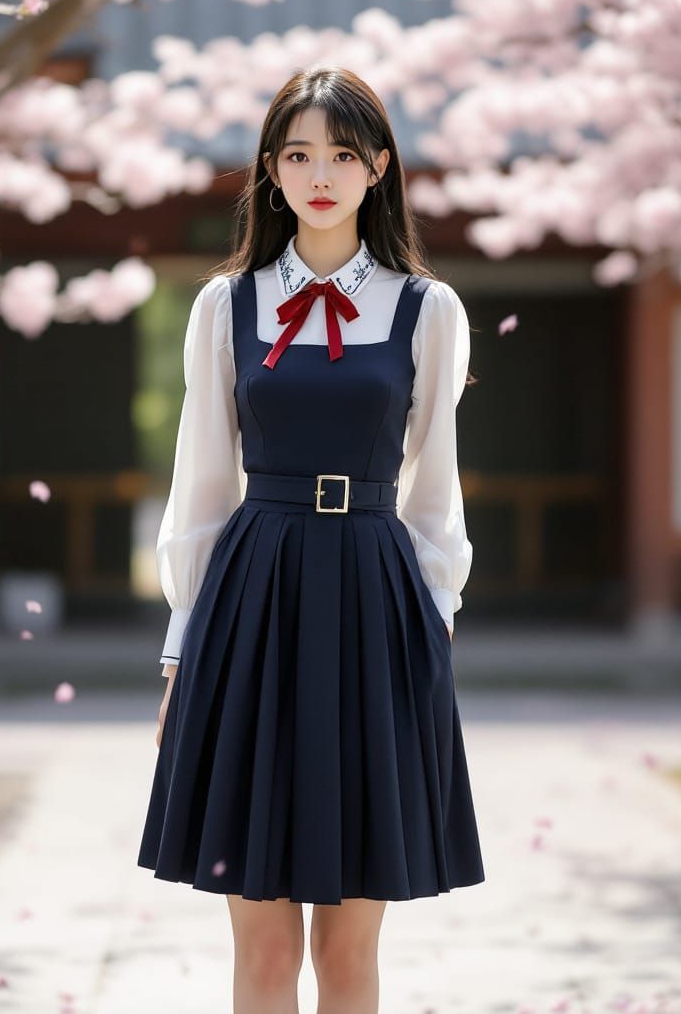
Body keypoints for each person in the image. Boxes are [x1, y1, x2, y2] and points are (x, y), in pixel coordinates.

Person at [138, 63, 485, 1014]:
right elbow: (202, 486)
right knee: (258, 952)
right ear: (271, 170)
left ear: (379, 167)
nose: (319, 174)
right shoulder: (225, 307)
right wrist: (181, 654)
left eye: (341, 153)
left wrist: (433, 629)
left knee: (349, 951)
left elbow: (435, 489)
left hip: (378, 604)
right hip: (253, 601)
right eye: (297, 155)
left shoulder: (429, 310)